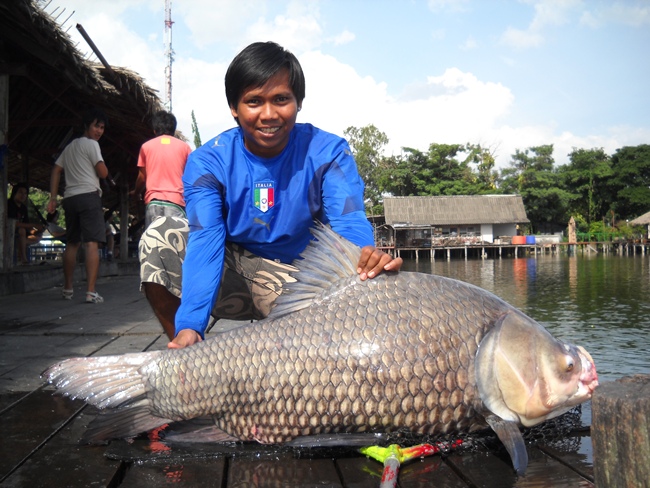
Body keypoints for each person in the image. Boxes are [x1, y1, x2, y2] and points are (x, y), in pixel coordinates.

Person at [139, 41, 402, 348]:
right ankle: (188, 354)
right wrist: (190, 324)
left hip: (304, 281)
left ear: (299, 102)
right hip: (233, 276)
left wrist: (365, 261)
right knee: (159, 236)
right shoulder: (207, 162)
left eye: (281, 99)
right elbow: (205, 240)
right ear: (234, 108)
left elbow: (349, 221)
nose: (269, 114)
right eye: (253, 101)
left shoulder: (328, 152)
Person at [47, 107, 109, 303]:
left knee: (72, 243)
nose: (99, 131)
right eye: (96, 126)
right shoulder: (92, 145)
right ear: (86, 126)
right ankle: (91, 291)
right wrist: (104, 168)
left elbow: (56, 170)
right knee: (91, 243)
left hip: (70, 199)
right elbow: (103, 173)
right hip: (88, 196)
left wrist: (53, 198)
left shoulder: (69, 147)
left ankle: (67, 289)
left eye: (102, 128)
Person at [132, 110, 191, 229]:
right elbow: (191, 177)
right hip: (176, 203)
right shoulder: (185, 148)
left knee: (154, 244)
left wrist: (136, 192)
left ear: (154, 130)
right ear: (173, 130)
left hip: (154, 203)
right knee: (175, 243)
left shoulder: (146, 147)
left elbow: (142, 178)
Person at [7, 182, 44, 265]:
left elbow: (26, 225)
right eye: (20, 192)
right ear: (14, 193)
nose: (23, 195)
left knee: (37, 236)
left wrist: (36, 231)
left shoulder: (23, 208)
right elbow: (14, 224)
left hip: (20, 235)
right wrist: (33, 225)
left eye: (25, 193)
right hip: (7, 232)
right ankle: (24, 259)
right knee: (22, 231)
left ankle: (21, 243)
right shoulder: (9, 204)